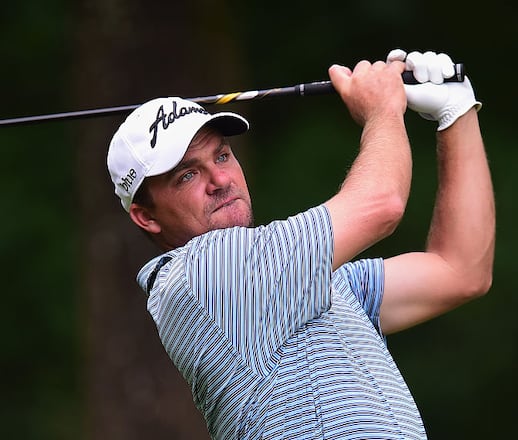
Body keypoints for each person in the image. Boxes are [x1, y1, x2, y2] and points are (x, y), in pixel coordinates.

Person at [106, 49, 494, 439]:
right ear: (146, 216)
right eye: (187, 175)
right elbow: (382, 204)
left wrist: (457, 114)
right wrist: (382, 109)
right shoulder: (202, 275)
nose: (220, 180)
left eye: (222, 156)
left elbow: (461, 270)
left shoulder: (308, 280)